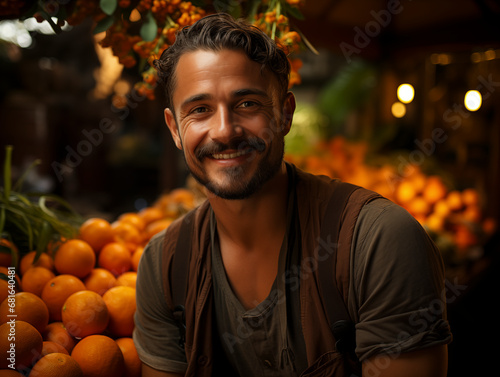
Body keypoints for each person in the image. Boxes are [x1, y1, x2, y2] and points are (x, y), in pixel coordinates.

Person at [133, 13, 452, 377]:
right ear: (175, 128)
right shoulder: (164, 266)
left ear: (285, 114)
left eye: (247, 103)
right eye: (200, 110)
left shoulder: (378, 241)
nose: (224, 131)